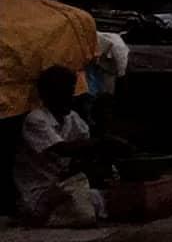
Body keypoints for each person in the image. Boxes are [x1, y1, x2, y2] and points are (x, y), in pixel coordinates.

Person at [12, 66, 110, 226]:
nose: (69, 97)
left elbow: (85, 150)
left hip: (63, 187)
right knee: (84, 212)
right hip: (38, 194)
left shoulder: (72, 118)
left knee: (108, 199)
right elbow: (62, 149)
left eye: (70, 91)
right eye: (63, 93)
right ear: (46, 95)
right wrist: (103, 142)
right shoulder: (36, 120)